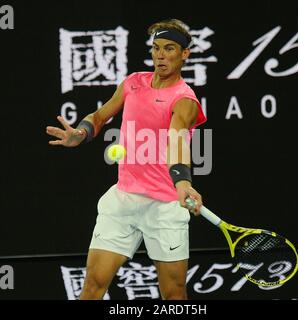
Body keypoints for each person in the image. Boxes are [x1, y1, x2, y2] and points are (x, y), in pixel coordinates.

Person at [46, 18, 206, 300]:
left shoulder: (185, 99)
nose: (160, 55)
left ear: (185, 54)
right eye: (156, 48)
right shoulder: (134, 83)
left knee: (174, 293)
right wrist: (80, 134)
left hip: (165, 207)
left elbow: (178, 138)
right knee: (94, 284)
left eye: (169, 48)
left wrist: (182, 182)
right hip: (123, 200)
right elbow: (99, 117)